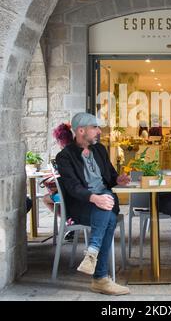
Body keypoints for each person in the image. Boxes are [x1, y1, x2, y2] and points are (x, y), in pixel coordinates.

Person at [56, 112, 131, 296]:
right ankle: (100, 278)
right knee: (109, 216)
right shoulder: (64, 157)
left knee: (106, 206)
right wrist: (95, 198)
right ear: (81, 131)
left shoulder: (100, 150)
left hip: (104, 199)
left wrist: (118, 180)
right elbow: (73, 187)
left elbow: (111, 177)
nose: (98, 131)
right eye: (94, 127)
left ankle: (93, 256)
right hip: (83, 205)